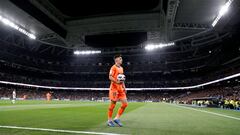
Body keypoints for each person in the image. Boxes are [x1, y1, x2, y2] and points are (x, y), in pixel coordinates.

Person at [107, 54, 128, 127]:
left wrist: (124, 87)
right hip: (114, 89)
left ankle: (116, 118)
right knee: (112, 105)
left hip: (121, 89)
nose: (121, 60)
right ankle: (109, 120)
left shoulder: (121, 68)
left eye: (121, 59)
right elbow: (110, 77)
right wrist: (116, 81)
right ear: (116, 60)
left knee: (125, 104)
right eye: (120, 59)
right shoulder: (113, 67)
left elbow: (122, 79)